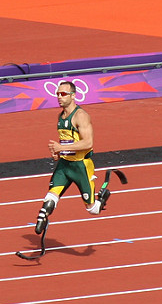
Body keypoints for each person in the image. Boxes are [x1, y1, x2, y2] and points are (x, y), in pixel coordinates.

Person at [34, 80, 109, 235]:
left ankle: (102, 197)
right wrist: (57, 152)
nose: (59, 97)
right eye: (57, 94)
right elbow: (67, 141)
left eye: (63, 94)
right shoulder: (60, 116)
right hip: (64, 165)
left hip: (80, 166)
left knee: (92, 210)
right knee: (50, 197)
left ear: (73, 96)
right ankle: (42, 216)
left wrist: (62, 147)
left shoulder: (81, 116)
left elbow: (88, 142)